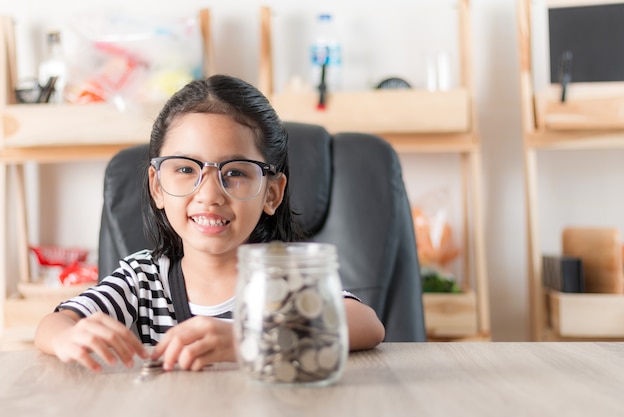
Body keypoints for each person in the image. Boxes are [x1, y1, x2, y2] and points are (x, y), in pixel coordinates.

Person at [34, 74, 385, 372]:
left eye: (235, 172)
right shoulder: (142, 280)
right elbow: (54, 325)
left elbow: (367, 325)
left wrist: (247, 338)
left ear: (271, 194)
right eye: (186, 169)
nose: (210, 194)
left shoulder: (286, 278)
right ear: (157, 186)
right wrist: (68, 336)